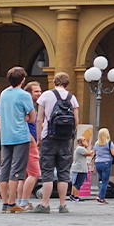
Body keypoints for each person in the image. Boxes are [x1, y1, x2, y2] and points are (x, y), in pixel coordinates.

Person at [35, 72, 79, 213]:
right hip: (65, 139)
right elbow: (76, 121)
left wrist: (39, 138)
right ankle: (62, 205)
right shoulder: (72, 98)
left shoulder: (46, 95)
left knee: (47, 172)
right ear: (67, 84)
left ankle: (45, 204)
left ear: (54, 82)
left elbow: (39, 119)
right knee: (63, 173)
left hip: (49, 137)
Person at [0, 67, 34, 214]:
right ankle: (12, 203)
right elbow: (32, 117)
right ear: (23, 79)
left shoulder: (4, 93)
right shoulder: (24, 95)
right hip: (20, 136)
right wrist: (25, 116)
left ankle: (5, 203)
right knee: (16, 171)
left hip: (6, 136)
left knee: (4, 168)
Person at [21, 81, 43, 204]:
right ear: (28, 93)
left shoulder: (31, 106)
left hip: (27, 143)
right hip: (29, 143)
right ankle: (24, 201)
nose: (39, 94)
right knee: (34, 173)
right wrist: (33, 141)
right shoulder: (27, 107)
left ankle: (21, 201)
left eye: (40, 91)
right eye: (36, 91)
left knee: (24, 175)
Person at [93, 127, 114, 204]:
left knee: (102, 180)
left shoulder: (96, 143)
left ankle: (100, 195)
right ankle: (101, 197)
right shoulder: (109, 143)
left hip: (97, 163)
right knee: (105, 181)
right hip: (106, 163)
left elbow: (94, 153)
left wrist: (94, 166)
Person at [71, 132, 93, 201]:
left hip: (78, 168)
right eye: (84, 140)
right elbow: (89, 153)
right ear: (80, 142)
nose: (86, 141)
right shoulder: (81, 148)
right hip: (80, 168)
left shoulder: (77, 148)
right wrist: (87, 146)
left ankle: (72, 195)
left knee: (75, 182)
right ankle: (76, 196)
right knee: (79, 182)